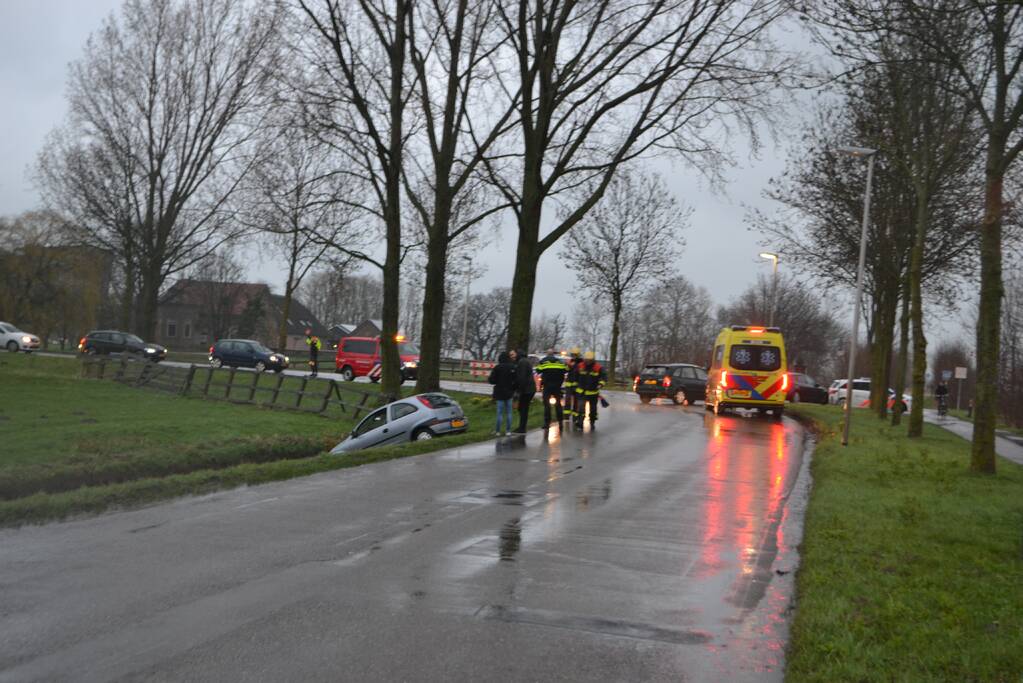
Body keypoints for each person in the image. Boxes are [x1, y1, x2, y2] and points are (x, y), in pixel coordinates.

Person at [535, 348, 568, 431]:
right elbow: (565, 370)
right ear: (553, 354)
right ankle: (560, 423)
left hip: (547, 387)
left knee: (547, 406)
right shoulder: (559, 362)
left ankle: (547, 424)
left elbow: (538, 370)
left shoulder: (543, 361)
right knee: (558, 405)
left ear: (547, 354)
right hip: (557, 387)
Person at [574, 351, 607, 429]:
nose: (588, 361)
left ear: (593, 359)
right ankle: (580, 423)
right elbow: (575, 376)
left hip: (593, 393)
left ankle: (592, 422)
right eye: (587, 359)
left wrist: (600, 384)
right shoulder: (580, 366)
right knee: (581, 408)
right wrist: (575, 386)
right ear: (584, 359)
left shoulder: (598, 367)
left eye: (590, 360)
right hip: (582, 392)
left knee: (593, 409)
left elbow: (604, 377)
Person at [488, 352, 517, 436]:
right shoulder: (513, 367)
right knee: (509, 412)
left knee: (499, 412)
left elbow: (491, 380)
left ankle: (497, 431)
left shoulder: (497, 368)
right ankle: (508, 431)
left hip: (499, 392)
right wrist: (513, 388)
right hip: (509, 392)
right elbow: (516, 380)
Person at [510, 348, 535, 434]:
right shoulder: (525, 360)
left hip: (526, 390)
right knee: (523, 408)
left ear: (518, 354)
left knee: (522, 408)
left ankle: (522, 428)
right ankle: (522, 427)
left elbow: (522, 378)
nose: (512, 357)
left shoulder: (522, 362)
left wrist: (518, 390)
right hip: (529, 389)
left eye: (513, 355)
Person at [563, 347, 582, 424]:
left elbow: (580, 371)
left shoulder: (581, 362)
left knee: (576, 401)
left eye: (575, 355)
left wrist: (573, 366)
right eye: (573, 355)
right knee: (567, 400)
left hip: (577, 385)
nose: (574, 356)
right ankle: (566, 416)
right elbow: (565, 370)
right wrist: (567, 365)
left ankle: (575, 416)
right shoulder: (570, 361)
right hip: (569, 385)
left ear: (578, 355)